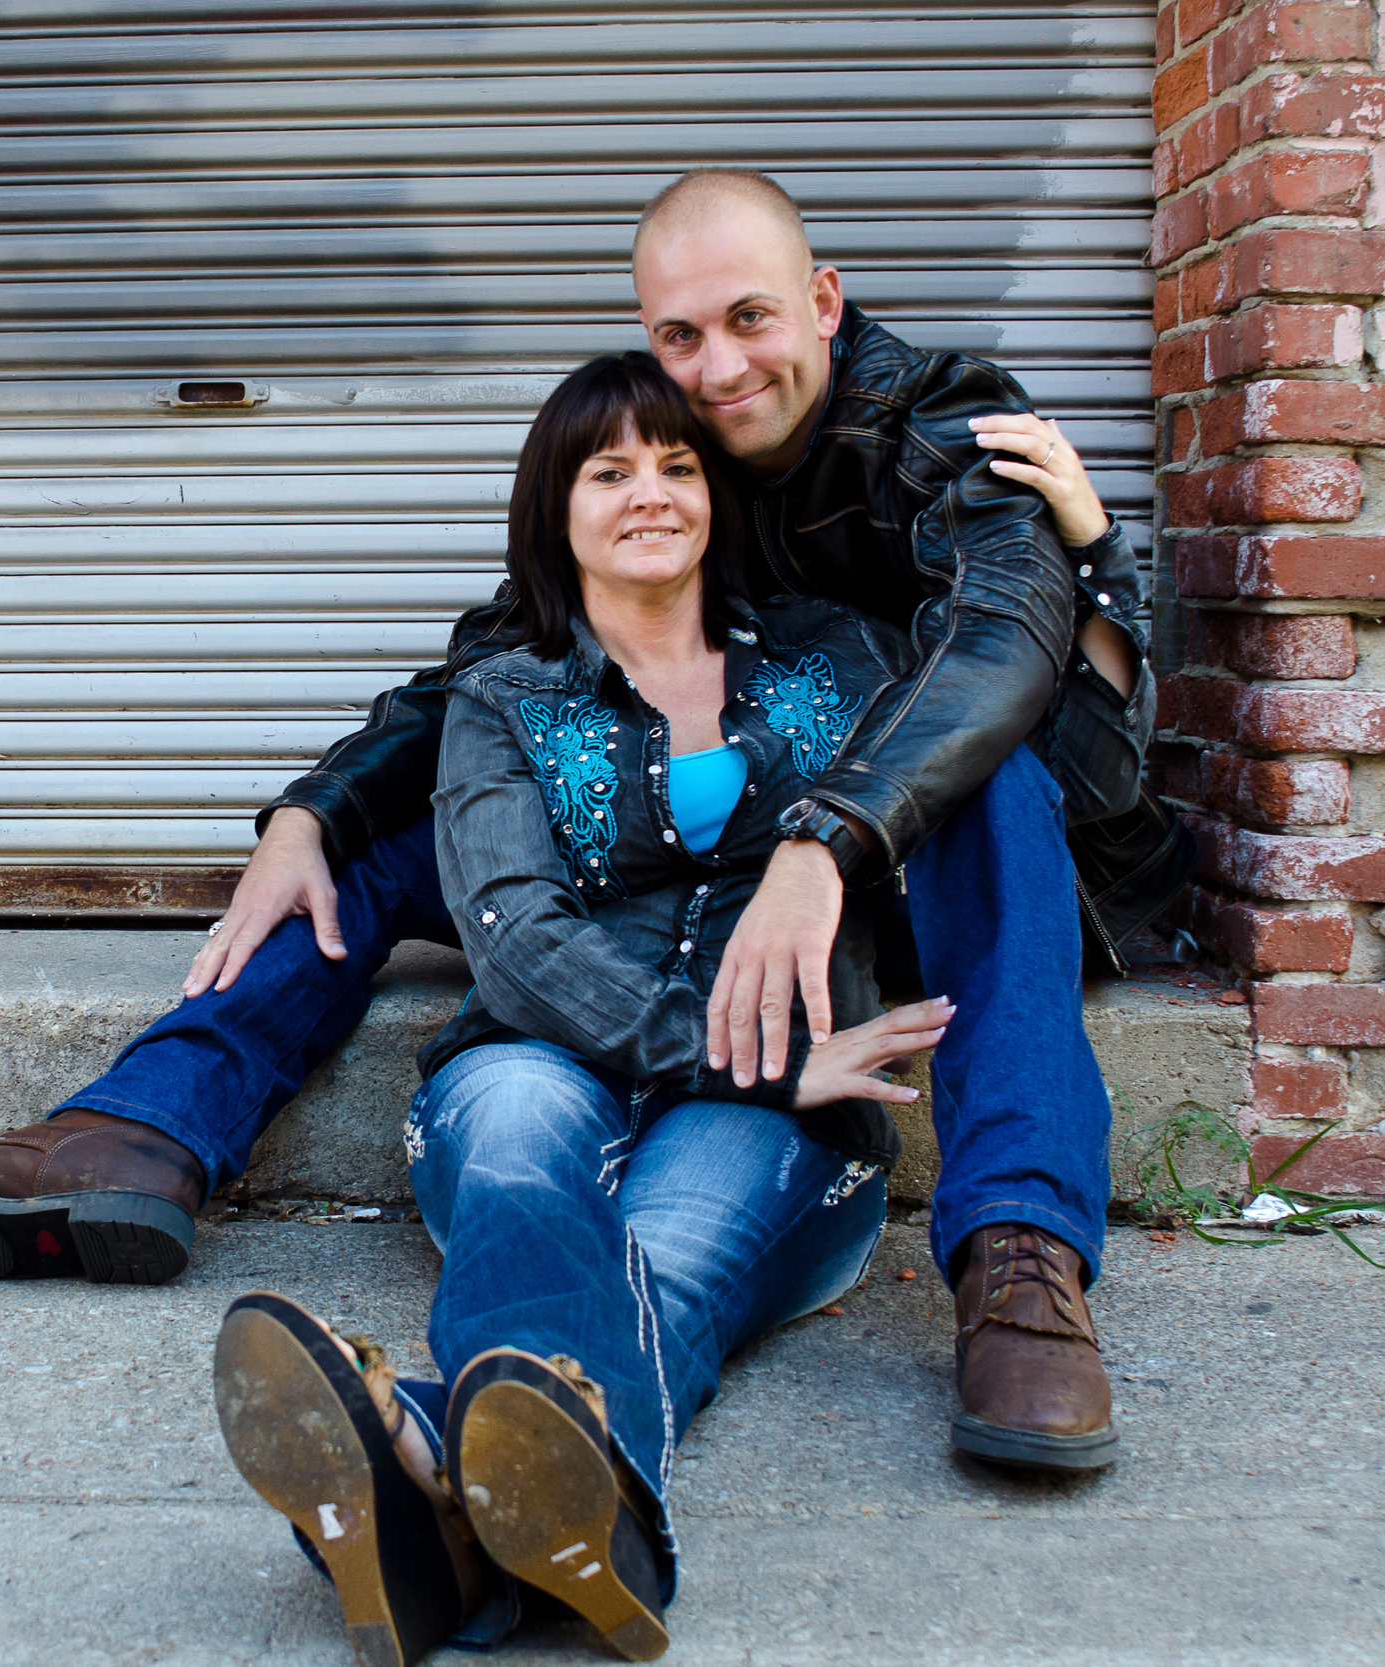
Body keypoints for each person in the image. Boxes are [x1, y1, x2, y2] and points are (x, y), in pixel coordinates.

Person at [0, 168, 1191, 1474]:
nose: (717, 370)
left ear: (824, 303)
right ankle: (143, 1132)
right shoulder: (670, 443)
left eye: (751, 321)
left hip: (903, 853)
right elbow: (503, 663)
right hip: (699, 843)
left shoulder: (947, 426)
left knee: (989, 786)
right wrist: (313, 810)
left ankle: (1021, 1261)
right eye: (681, 336)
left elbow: (1003, 650)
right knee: (390, 837)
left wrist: (827, 834)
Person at [214, 350, 945, 1667]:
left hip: (787, 1111)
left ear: (719, 495)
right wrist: (756, 1061)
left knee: (662, 1256)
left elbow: (1022, 706)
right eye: (609, 470)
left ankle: (420, 1472)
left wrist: (1080, 536)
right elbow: (516, 941)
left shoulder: (848, 661)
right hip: (562, 1053)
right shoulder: (501, 696)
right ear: (556, 507)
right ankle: (562, 1526)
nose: (649, 492)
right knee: (510, 1150)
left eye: (677, 464)